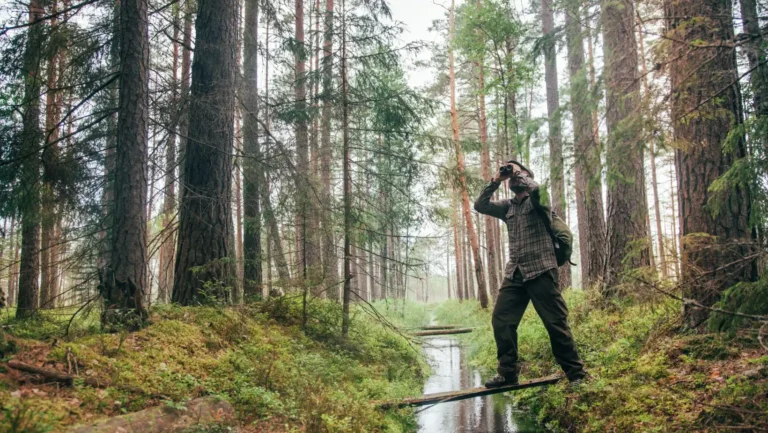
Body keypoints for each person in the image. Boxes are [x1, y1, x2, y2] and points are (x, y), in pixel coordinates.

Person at [474, 160, 587, 387]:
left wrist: (520, 174)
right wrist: (497, 180)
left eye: (519, 172)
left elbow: (537, 190)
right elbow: (480, 205)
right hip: (515, 273)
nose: (513, 176)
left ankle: (576, 374)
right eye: (512, 173)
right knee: (501, 320)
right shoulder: (508, 207)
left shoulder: (538, 202)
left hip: (541, 271)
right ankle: (508, 373)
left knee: (555, 323)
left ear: (527, 177)